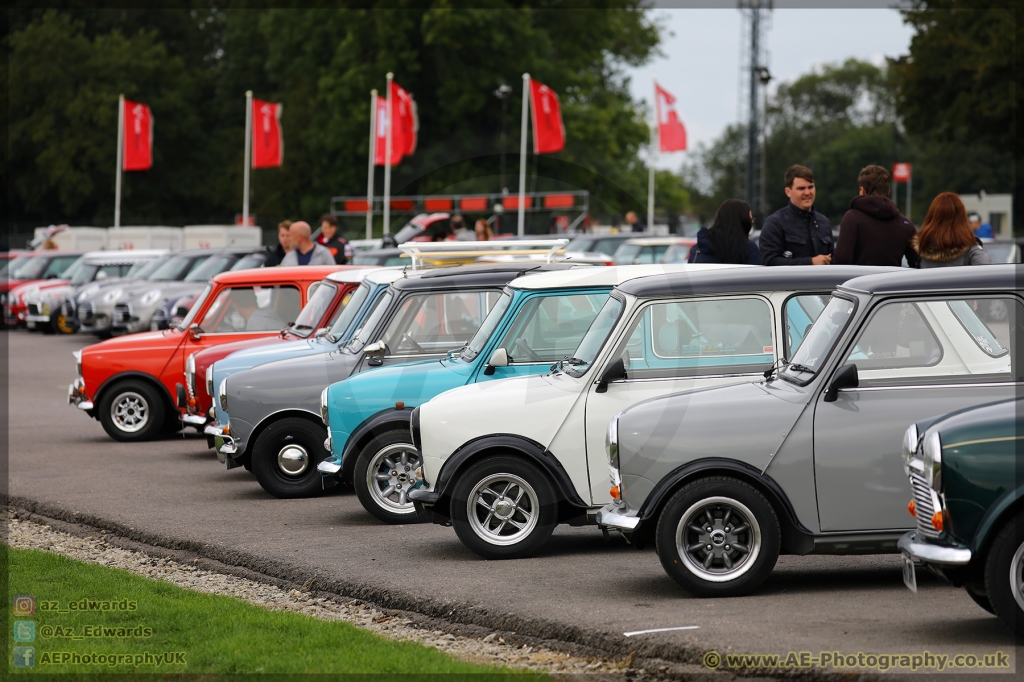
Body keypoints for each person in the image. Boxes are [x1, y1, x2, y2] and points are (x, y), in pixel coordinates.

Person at [833, 165, 919, 267]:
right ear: (888, 192)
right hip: (892, 282)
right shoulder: (906, 224)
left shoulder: (852, 218)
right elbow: (918, 262)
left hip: (859, 282)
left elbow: (841, 259)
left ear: (862, 190)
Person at [759, 165, 833, 266]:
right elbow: (769, 261)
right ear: (788, 192)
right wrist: (810, 262)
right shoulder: (775, 223)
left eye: (810, 187)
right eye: (801, 188)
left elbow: (833, 260)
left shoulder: (824, 222)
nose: (807, 192)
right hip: (789, 282)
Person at [913, 193, 993, 268]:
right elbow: (988, 273)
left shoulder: (921, 247)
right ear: (962, 218)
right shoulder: (970, 249)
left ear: (932, 217)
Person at [687, 199, 761, 265]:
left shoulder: (698, 249)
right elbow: (757, 277)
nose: (752, 223)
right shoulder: (748, 249)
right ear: (743, 222)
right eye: (751, 220)